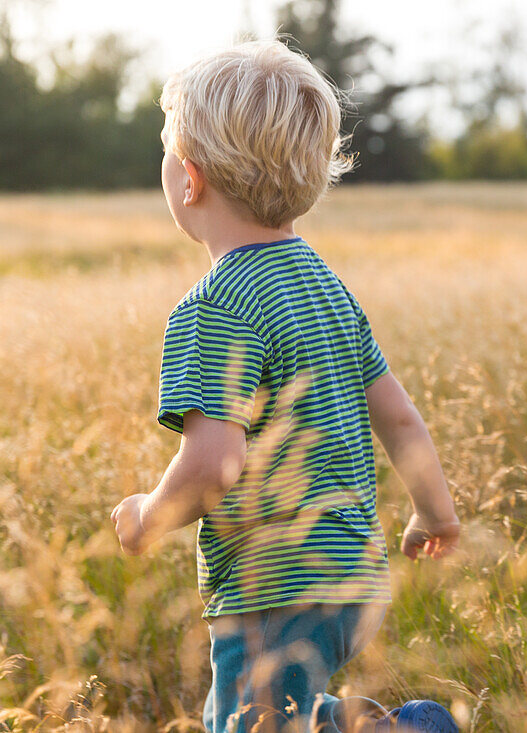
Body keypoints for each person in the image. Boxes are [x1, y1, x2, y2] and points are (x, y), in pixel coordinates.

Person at [109, 38, 461, 733]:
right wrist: (435, 513)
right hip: (358, 576)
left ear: (190, 177)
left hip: (279, 584)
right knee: (270, 715)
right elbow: (398, 417)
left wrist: (147, 518)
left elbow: (215, 462)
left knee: (249, 724)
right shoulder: (326, 287)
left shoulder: (214, 306)